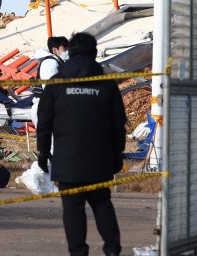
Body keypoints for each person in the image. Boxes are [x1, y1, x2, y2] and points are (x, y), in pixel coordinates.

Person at [37, 32, 127, 256]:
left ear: (70, 53)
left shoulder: (56, 84)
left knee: (72, 209)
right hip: (99, 160)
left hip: (67, 161)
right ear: (94, 53)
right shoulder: (107, 85)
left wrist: (43, 152)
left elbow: (44, 122)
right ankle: (112, 250)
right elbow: (118, 125)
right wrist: (117, 155)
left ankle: (78, 252)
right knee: (102, 204)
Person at [29, 36, 69, 127]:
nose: (68, 51)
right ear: (54, 50)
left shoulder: (58, 62)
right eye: (65, 48)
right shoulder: (50, 63)